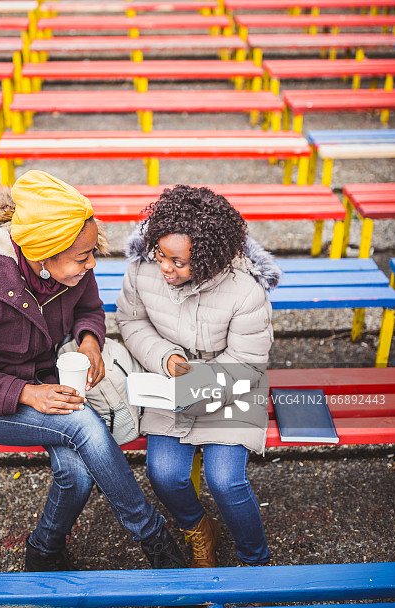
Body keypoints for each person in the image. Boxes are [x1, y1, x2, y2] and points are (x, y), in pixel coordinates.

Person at [0, 170, 186, 572]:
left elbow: (89, 310)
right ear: (41, 254)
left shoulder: (73, 263)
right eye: (82, 257)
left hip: (50, 382)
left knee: (78, 474)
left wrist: (89, 340)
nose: (91, 263)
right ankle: (153, 537)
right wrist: (25, 393)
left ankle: (43, 549)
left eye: (91, 253)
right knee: (83, 424)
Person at [116, 184, 282, 569]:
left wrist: (193, 385)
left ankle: (254, 559)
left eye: (179, 262)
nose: (165, 268)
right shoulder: (142, 270)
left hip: (232, 384)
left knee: (226, 481)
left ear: (208, 258)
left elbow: (246, 360)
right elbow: (132, 321)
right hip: (167, 380)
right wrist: (165, 357)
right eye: (161, 254)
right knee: (164, 474)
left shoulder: (245, 290)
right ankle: (199, 528)